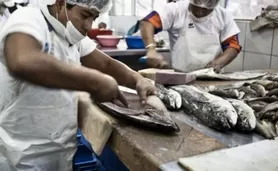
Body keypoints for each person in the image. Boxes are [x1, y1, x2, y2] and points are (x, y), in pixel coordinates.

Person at [0, 0, 156, 170]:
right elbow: (23, 60)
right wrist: (94, 82)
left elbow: (106, 64)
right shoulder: (29, 18)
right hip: (20, 155)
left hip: (60, 150)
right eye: (84, 15)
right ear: (60, 3)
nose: (89, 25)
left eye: (94, 18)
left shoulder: (71, 35)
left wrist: (137, 79)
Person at [140, 0, 242, 73]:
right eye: (196, 6)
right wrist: (151, 49)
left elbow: (233, 46)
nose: (200, 12)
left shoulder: (223, 16)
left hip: (212, 75)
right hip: (180, 76)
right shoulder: (176, 9)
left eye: (206, 9)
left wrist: (219, 63)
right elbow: (147, 23)